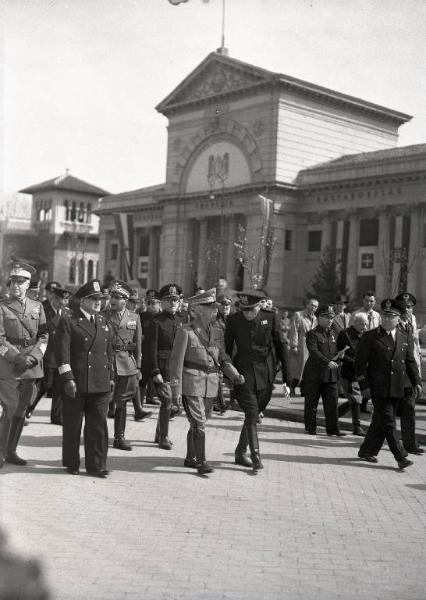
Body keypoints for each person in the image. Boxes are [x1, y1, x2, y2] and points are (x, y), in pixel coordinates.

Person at [169, 288, 244, 475]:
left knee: (198, 422)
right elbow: (176, 363)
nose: (215, 311)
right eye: (211, 308)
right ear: (199, 309)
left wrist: (234, 374)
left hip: (211, 384)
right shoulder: (185, 331)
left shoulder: (217, 331)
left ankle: (190, 457)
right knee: (199, 422)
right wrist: (176, 392)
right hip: (191, 382)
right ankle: (202, 462)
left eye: (215, 308)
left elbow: (223, 357)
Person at [225, 290, 290, 471]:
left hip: (266, 374)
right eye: (244, 310)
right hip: (243, 374)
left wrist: (287, 377)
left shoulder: (270, 317)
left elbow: (280, 345)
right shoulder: (233, 320)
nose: (247, 314)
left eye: (251, 310)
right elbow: (227, 351)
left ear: (259, 305)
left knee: (253, 414)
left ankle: (240, 452)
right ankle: (255, 456)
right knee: (252, 414)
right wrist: (228, 376)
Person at [55, 279, 114, 478]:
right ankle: (71, 462)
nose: (99, 302)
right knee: (73, 424)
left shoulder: (103, 321)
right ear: (82, 301)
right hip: (77, 382)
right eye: (94, 299)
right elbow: (62, 354)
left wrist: (111, 377)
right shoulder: (69, 320)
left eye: (101, 299)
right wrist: (68, 378)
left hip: (100, 382)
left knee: (98, 425)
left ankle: (97, 465)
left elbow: (108, 353)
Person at [356, 299, 422, 469]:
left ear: (398, 319)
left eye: (390, 317)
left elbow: (409, 361)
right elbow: (360, 363)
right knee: (389, 422)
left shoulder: (403, 336)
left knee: (380, 421)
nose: (386, 319)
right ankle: (400, 456)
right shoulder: (370, 336)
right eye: (384, 316)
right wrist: (364, 386)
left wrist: (417, 382)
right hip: (378, 387)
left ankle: (366, 450)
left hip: (397, 386)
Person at [0, 262, 48, 467]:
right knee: (8, 409)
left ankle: (12, 451)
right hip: (9, 367)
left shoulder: (38, 307)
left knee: (22, 410)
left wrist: (34, 357)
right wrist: (16, 357)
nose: (16, 285)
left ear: (29, 284)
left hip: (31, 367)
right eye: (13, 282)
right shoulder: (2, 307)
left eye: (21, 282)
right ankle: (1, 452)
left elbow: (44, 337)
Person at [103, 280, 148, 451]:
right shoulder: (103, 315)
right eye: (112, 296)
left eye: (117, 297)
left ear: (125, 300)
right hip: (107, 362)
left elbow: (138, 345)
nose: (113, 300)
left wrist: (138, 367)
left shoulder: (134, 318)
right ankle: (98, 434)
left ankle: (119, 437)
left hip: (127, 364)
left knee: (122, 403)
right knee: (102, 401)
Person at [142, 284, 185, 450]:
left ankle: (159, 432)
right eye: (169, 300)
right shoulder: (156, 322)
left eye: (175, 299)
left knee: (174, 405)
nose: (173, 303)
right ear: (162, 302)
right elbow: (150, 350)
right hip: (162, 368)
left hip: (177, 370)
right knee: (167, 402)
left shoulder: (182, 321)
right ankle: (164, 437)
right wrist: (155, 371)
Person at [303, 304, 347, 436]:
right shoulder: (313, 334)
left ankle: (333, 429)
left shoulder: (334, 334)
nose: (330, 320)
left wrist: (341, 354)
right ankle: (311, 427)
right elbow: (314, 352)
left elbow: (339, 347)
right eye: (327, 317)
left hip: (331, 375)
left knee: (332, 403)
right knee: (312, 402)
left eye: (332, 318)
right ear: (319, 318)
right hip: (314, 374)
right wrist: (327, 362)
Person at [40, 283, 72, 425]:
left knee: (59, 387)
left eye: (65, 301)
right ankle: (27, 407)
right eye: (61, 301)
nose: (63, 304)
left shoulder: (67, 313)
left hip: (62, 357)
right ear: (54, 298)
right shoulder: (44, 311)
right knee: (46, 385)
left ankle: (56, 416)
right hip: (48, 355)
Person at [395, 294, 423, 455]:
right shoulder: (392, 325)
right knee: (385, 414)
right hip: (394, 375)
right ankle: (370, 447)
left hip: (409, 375)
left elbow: (414, 352)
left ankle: (410, 444)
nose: (408, 310)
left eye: (410, 307)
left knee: (409, 410)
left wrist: (416, 377)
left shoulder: (410, 326)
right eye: (405, 307)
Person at [336, 313, 369, 436]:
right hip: (349, 372)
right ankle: (357, 427)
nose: (364, 326)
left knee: (354, 400)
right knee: (355, 399)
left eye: (365, 324)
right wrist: (355, 364)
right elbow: (341, 354)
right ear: (354, 322)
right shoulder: (345, 334)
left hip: (362, 373)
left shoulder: (366, 335)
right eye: (362, 324)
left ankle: (333, 416)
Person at [351, 291, 381, 413]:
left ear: (374, 302)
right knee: (361, 375)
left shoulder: (377, 315)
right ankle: (359, 404)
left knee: (372, 375)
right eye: (367, 300)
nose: (369, 303)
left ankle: (367, 402)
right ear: (363, 301)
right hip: (361, 348)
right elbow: (352, 332)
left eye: (371, 301)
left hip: (373, 350)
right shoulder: (356, 314)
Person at [288, 297, 319, 395]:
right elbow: (294, 330)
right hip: (301, 343)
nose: (313, 307)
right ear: (307, 305)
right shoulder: (298, 315)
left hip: (311, 345)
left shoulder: (315, 318)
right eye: (311, 305)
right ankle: (290, 387)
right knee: (298, 368)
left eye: (315, 306)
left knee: (308, 369)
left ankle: (304, 389)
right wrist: (294, 345)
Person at [139, 295, 162, 407]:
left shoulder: (162, 318)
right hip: (145, 351)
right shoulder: (141, 316)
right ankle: (139, 407)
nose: (151, 306)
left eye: (154, 303)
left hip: (159, 352)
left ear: (159, 304)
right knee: (142, 381)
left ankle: (168, 405)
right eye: (149, 303)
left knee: (160, 380)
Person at [213, 294, 232, 413]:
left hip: (229, 351)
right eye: (223, 304)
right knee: (218, 378)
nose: (225, 306)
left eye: (228, 304)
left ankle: (217, 402)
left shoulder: (232, 318)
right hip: (217, 350)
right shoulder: (214, 318)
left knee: (226, 378)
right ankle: (221, 403)